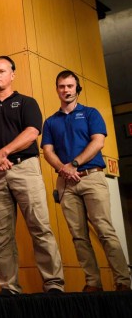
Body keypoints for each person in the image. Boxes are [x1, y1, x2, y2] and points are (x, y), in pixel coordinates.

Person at [0, 55, 65, 295]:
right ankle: (9, 287)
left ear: (12, 74)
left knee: (40, 226)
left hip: (25, 169)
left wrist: (3, 152)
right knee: (0, 234)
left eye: (2, 71)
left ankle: (53, 283)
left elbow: (32, 132)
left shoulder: (26, 102)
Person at [41, 70, 131, 292]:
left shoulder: (91, 113)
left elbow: (98, 142)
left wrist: (74, 164)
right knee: (78, 236)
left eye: (70, 86)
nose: (66, 90)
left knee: (104, 230)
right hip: (66, 183)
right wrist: (63, 169)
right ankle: (93, 283)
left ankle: (123, 281)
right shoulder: (51, 121)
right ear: (57, 89)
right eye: (62, 86)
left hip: (92, 177)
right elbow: (47, 150)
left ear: (77, 89)